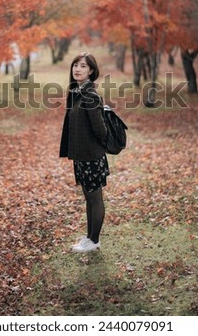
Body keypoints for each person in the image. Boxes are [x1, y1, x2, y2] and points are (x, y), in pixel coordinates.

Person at [59, 52, 109, 252]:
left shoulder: (89, 95)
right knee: (88, 197)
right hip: (82, 155)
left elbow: (101, 130)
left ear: (91, 71)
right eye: (75, 65)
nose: (77, 69)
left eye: (83, 66)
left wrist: (93, 148)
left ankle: (95, 241)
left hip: (91, 156)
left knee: (95, 198)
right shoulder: (77, 92)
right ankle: (89, 237)